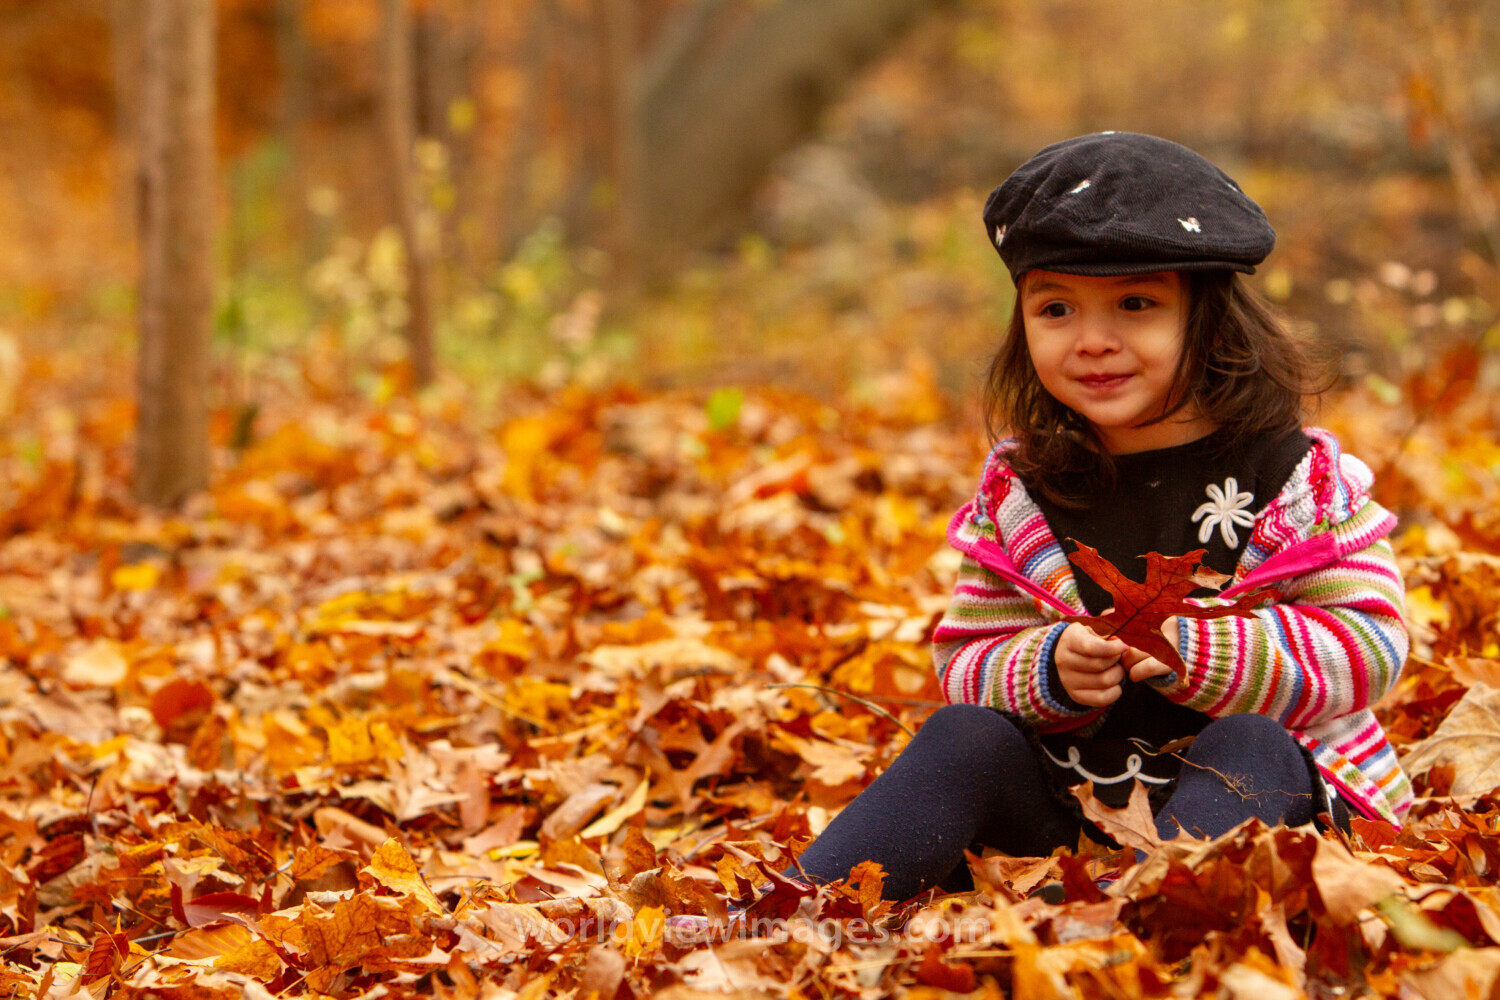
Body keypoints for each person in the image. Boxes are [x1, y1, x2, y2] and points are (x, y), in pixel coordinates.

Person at [786, 132, 1412, 902]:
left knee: (1251, 742)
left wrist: (1211, 652)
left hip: (1269, 807)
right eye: (1056, 309)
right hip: (1077, 815)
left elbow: (1371, 649)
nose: (1093, 341)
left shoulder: (1297, 481)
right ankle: (797, 909)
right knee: (962, 736)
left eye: (1137, 305)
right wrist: (1047, 666)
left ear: (1209, 320)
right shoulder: (1027, 492)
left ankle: (1150, 914)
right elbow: (967, 663)